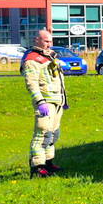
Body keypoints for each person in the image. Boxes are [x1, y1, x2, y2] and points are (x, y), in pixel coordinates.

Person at [23, 29, 68, 178]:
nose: (50, 44)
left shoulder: (49, 57)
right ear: (37, 40)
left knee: (53, 134)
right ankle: (37, 167)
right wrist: (40, 101)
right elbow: (31, 83)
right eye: (46, 41)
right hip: (45, 101)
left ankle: (48, 163)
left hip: (57, 101)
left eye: (50, 41)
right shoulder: (32, 59)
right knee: (42, 134)